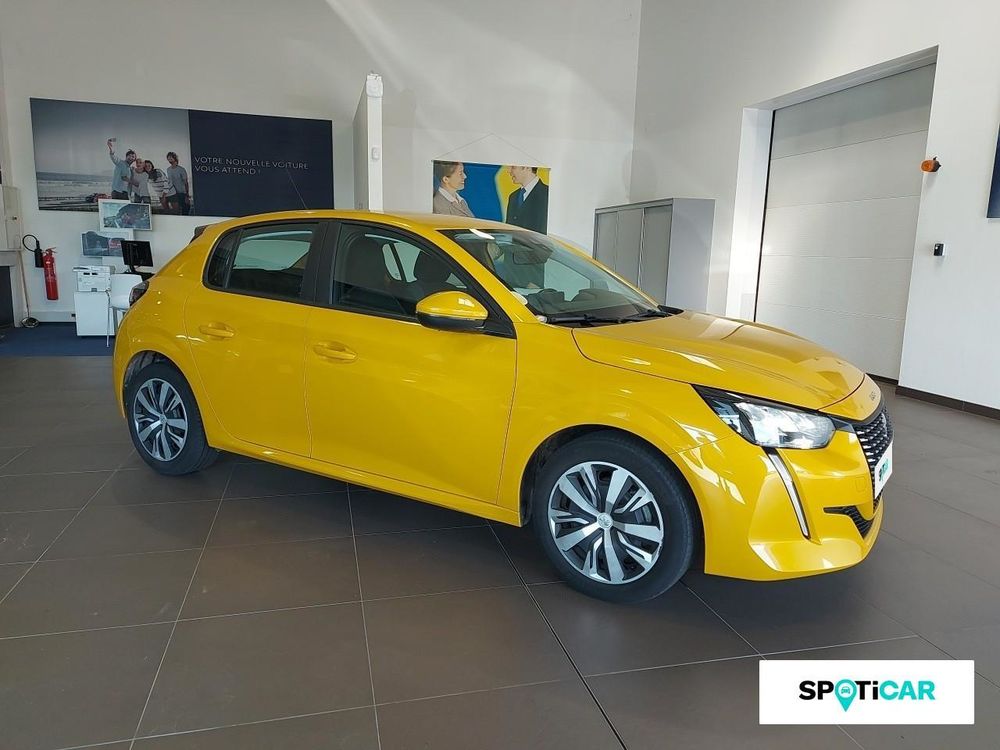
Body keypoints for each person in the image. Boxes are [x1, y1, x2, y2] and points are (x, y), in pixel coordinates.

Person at [505, 165, 549, 233]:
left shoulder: (547, 194)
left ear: (528, 167)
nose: (508, 171)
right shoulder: (513, 197)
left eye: (513, 167)